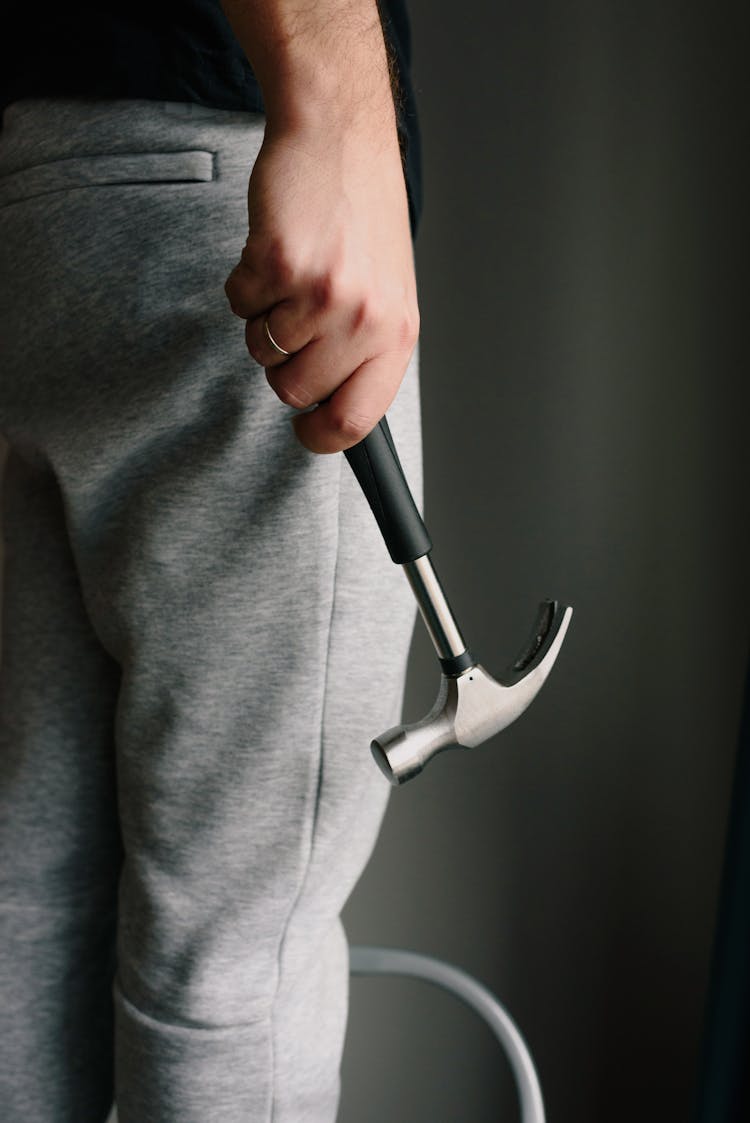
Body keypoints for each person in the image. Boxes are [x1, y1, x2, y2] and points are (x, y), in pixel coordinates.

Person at [0, 2, 423, 1120]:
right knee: (237, 959)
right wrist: (328, 99)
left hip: (28, 196)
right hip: (202, 170)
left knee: (21, 909)